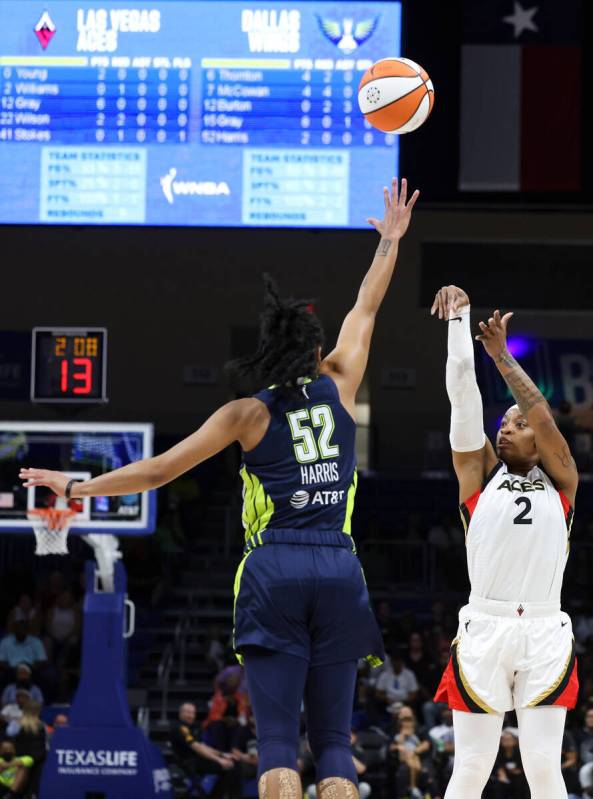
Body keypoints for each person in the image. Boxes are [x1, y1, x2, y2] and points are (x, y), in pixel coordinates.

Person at [18, 177, 420, 799]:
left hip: (274, 565)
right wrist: (389, 242)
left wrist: (78, 485)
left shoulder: (246, 414)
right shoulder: (342, 382)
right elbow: (365, 308)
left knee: (279, 741)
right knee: (335, 741)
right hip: (340, 565)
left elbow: (155, 472)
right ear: (317, 352)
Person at [430, 285, 579, 799]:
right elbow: (462, 394)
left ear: (539, 439)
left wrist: (503, 359)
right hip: (485, 624)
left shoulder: (563, 481)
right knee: (470, 768)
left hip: (543, 626)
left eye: (516, 425)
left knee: (543, 768)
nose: (506, 430)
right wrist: (459, 321)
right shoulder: (476, 477)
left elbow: (539, 412)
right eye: (503, 425)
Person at [169, 702, 239, 798]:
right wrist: (219, 760)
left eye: (193, 713)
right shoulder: (180, 728)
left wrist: (222, 754)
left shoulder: (193, 727)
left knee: (232, 764)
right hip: (188, 762)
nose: (191, 715)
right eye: (188, 712)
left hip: (197, 759)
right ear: (180, 713)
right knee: (228, 767)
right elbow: (196, 747)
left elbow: (202, 746)